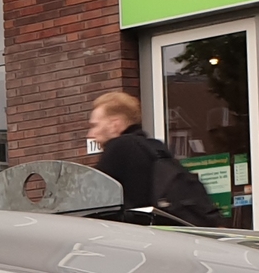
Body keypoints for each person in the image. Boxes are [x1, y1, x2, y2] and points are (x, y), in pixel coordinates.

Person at [85, 91, 219, 225]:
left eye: (95, 125)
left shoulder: (119, 147)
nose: (90, 134)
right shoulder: (156, 147)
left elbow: (92, 199)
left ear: (115, 124)